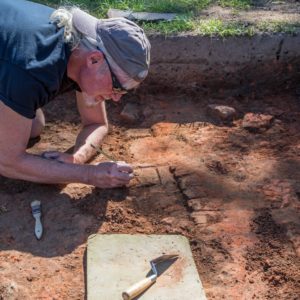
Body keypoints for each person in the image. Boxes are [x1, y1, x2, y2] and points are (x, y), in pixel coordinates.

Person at [0, 0, 151, 188]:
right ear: (94, 60)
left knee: (33, 126)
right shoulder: (32, 69)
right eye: (117, 86)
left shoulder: (79, 48)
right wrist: (90, 175)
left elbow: (97, 123)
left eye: (124, 91)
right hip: (15, 67)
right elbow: (8, 162)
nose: (116, 97)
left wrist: (77, 158)